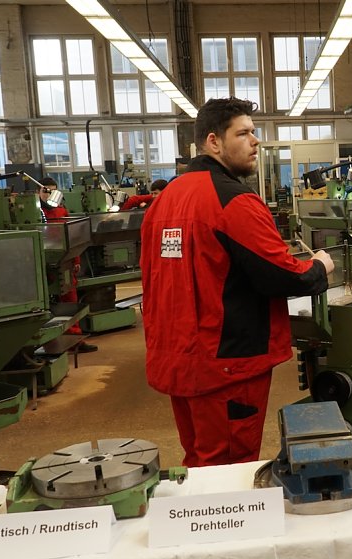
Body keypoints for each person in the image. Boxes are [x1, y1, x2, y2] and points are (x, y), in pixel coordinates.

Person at [140, 97, 334, 468]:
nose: (255, 141)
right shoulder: (234, 201)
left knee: (199, 457)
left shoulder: (164, 201)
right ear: (214, 142)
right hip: (227, 364)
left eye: (254, 133)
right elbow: (279, 275)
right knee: (229, 465)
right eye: (243, 133)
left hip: (179, 357)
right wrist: (319, 268)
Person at [39, 177, 98, 353]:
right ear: (38, 192)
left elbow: (71, 238)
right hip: (41, 263)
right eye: (46, 191)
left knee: (69, 300)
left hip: (64, 261)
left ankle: (75, 340)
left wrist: (76, 260)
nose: (49, 195)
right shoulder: (36, 214)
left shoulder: (61, 212)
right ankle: (47, 342)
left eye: (53, 191)